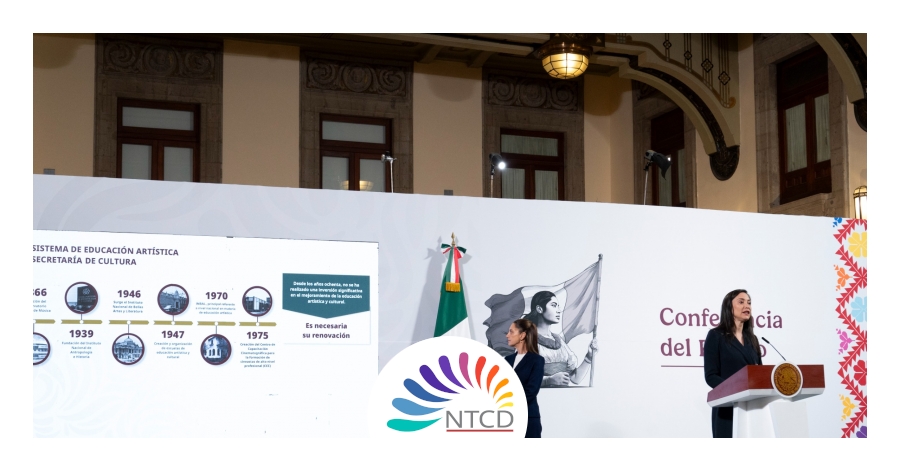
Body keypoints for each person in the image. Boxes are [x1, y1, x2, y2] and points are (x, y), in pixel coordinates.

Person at [703, 289, 763, 438]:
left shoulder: (753, 340)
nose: (747, 306)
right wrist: (736, 390)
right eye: (741, 302)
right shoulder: (716, 336)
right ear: (729, 307)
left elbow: (760, 374)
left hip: (752, 409)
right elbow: (711, 376)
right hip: (727, 407)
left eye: (749, 303)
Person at [523, 291, 597, 387]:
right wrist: (548, 380)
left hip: (562, 395)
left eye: (558, 306)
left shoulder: (559, 341)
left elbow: (575, 379)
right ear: (539, 309)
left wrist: (589, 357)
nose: (559, 310)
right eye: (553, 305)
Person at [505, 318, 545, 438]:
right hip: (507, 419)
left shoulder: (537, 360)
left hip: (528, 419)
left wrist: (508, 405)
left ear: (522, 335)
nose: (507, 335)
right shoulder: (507, 360)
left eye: (511, 331)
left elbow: (531, 391)